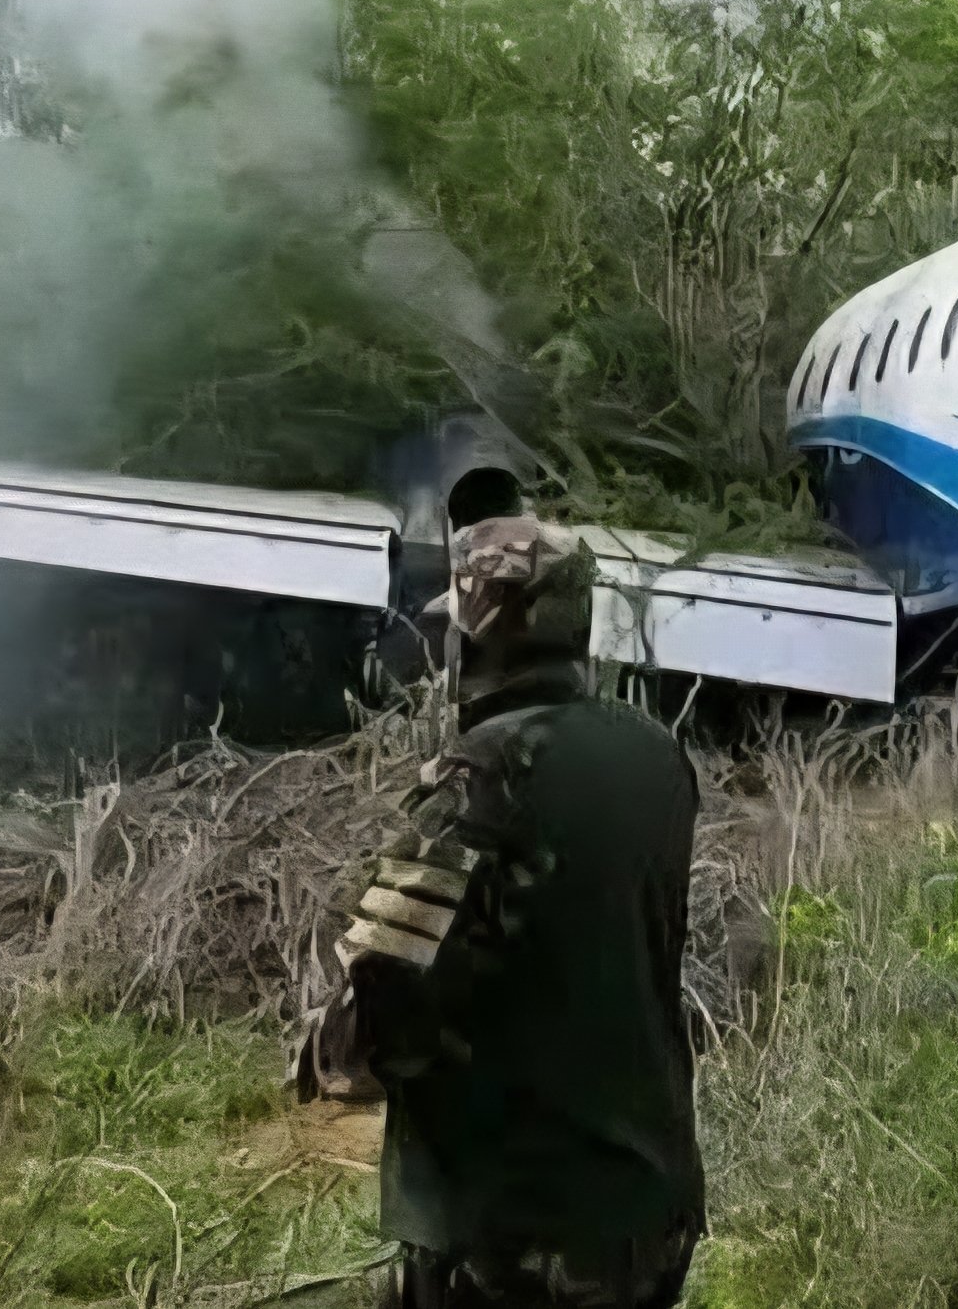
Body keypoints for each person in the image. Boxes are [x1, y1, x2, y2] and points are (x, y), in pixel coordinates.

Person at [301, 518, 706, 1308]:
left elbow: (383, 981)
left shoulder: (482, 769)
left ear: (477, 633)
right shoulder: (658, 757)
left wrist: (325, 1053)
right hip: (648, 1207)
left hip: (513, 1225)